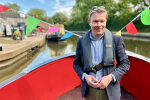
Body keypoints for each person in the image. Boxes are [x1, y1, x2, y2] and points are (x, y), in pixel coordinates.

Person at [73, 6, 130, 100]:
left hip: (110, 92)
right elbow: (76, 64)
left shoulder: (116, 40)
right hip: (89, 91)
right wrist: (85, 76)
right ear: (89, 22)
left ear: (106, 21)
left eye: (102, 21)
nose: (99, 25)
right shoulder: (81, 41)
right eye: (95, 21)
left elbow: (125, 64)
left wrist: (110, 77)